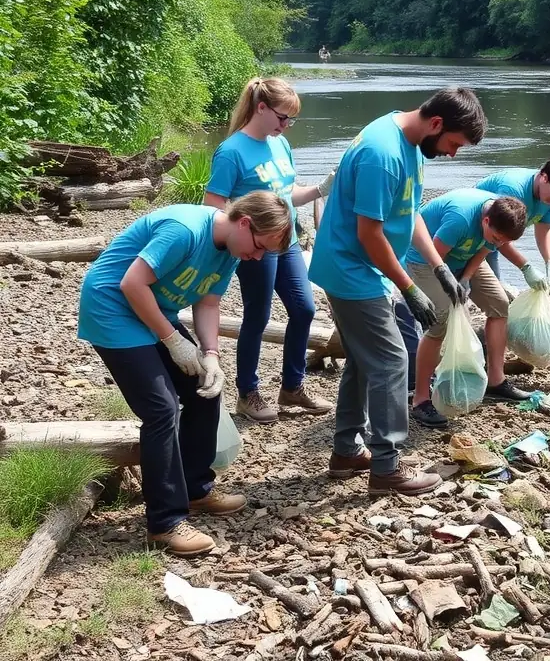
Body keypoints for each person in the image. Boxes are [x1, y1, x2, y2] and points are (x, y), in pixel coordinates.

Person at [77, 192, 293, 557]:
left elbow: (208, 302)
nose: (257, 257)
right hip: (112, 308)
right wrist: (172, 340)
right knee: (161, 410)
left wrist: (210, 355)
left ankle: (195, 489)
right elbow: (131, 283)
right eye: (259, 247)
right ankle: (164, 524)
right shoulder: (184, 231)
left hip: (155, 309)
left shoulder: (231, 250)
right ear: (244, 222)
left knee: (203, 388)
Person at [309, 87, 486, 496]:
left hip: (364, 269)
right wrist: (409, 288)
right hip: (351, 269)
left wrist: (440, 268)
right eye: (454, 144)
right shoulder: (382, 154)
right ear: (436, 124)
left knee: (361, 358)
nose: (453, 154)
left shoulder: (409, 143)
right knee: (391, 361)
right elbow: (369, 233)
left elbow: (411, 214)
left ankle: (346, 452)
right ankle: (387, 467)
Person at [205, 77, 336, 425]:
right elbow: (214, 206)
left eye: (291, 120)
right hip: (256, 246)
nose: (286, 125)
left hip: (287, 241)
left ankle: (292, 387)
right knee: (258, 317)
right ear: (260, 108)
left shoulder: (281, 145)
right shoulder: (232, 151)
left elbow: (287, 195)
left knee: (304, 309)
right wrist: (235, 243)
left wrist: (321, 189)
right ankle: (247, 392)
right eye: (282, 117)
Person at [406, 190, 530, 428]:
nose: (499, 244)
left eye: (504, 241)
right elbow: (434, 257)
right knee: (440, 320)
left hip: (464, 257)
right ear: (485, 221)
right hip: (425, 260)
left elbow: (485, 248)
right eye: (496, 237)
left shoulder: (499, 221)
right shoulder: (460, 219)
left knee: (499, 303)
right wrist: (449, 281)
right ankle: (420, 399)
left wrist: (466, 278)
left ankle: (496, 379)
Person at [475, 155, 550, 292]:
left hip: (492, 241)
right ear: (544, 177)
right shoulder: (513, 191)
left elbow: (545, 228)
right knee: (487, 291)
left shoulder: (549, 198)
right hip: (472, 233)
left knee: (496, 295)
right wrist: (526, 267)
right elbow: (499, 235)